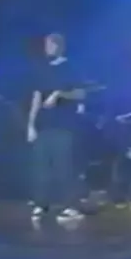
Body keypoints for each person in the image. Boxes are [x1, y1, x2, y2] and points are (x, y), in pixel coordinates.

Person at [27, 33, 86, 222]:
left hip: (64, 125)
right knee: (41, 167)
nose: (47, 48)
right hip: (44, 125)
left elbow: (81, 94)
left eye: (50, 45)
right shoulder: (42, 69)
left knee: (64, 167)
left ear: (59, 46)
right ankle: (41, 203)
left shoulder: (70, 67)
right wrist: (31, 125)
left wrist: (59, 94)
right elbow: (36, 98)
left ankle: (71, 206)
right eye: (46, 45)